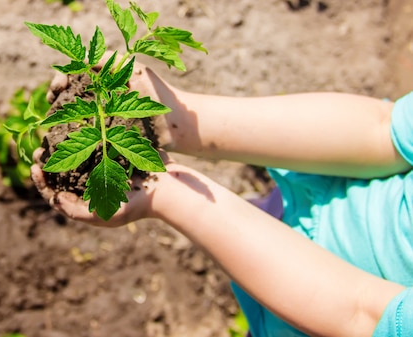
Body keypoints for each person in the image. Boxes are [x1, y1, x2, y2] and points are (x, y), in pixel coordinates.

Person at [30, 64, 413, 337]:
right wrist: (173, 117)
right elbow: (387, 130)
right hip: (318, 200)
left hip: (309, 313)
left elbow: (362, 316)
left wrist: (166, 191)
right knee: (266, 215)